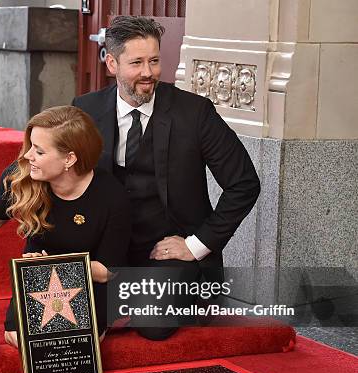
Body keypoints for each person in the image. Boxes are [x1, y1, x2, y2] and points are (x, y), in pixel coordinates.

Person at [72, 16, 261, 340]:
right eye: (137, 62)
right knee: (67, 317)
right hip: (107, 250)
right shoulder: (85, 110)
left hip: (169, 253)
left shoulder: (195, 113)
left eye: (155, 61)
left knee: (154, 325)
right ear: (112, 64)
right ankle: (118, 300)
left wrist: (196, 245)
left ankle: (137, 300)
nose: (148, 72)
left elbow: (244, 182)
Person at [0, 105, 131, 348]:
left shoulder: (112, 196)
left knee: (76, 343)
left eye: (40, 151)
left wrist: (54, 266)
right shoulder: (23, 176)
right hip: (36, 278)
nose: (27, 156)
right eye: (31, 145)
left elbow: (107, 271)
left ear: (69, 159)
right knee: (17, 337)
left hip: (89, 282)